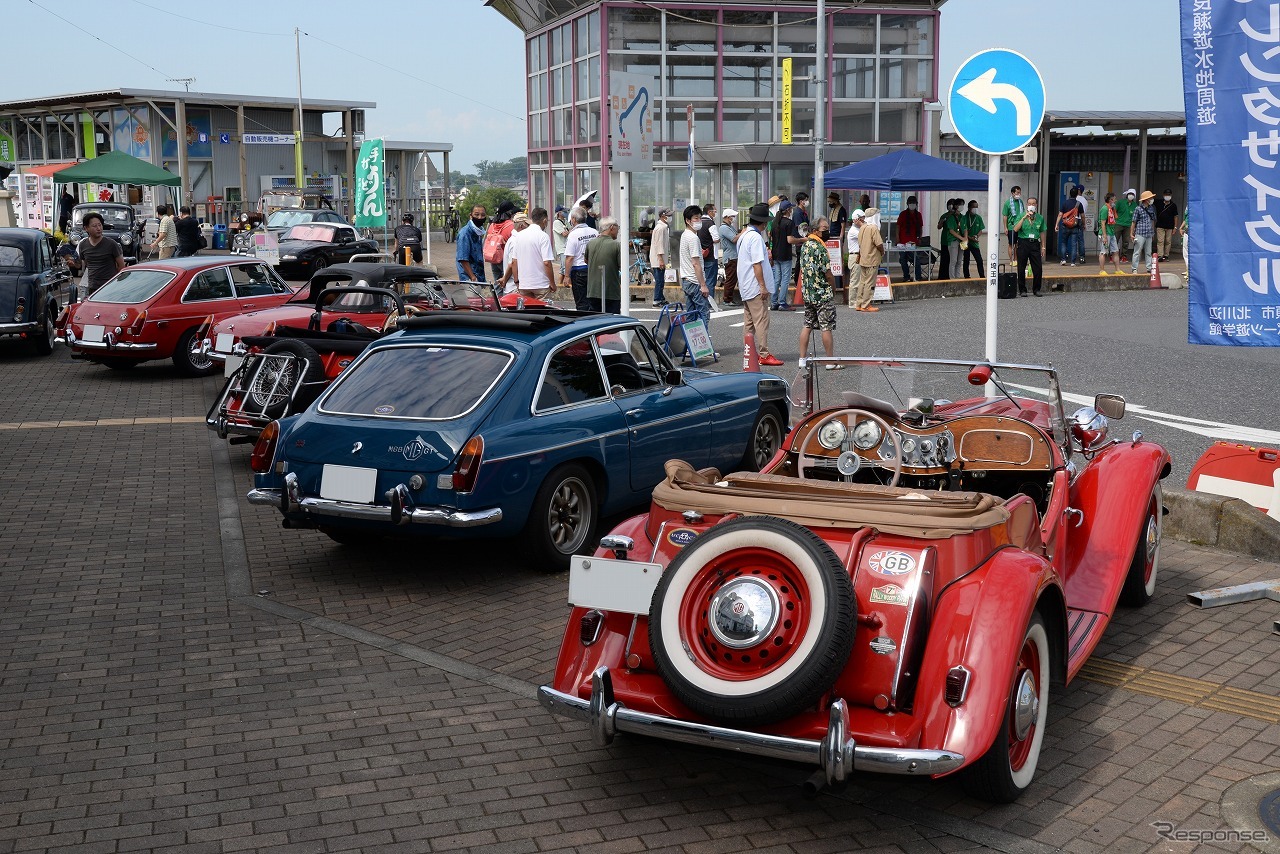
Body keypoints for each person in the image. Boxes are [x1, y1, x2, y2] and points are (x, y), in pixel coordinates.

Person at [737, 203, 783, 367]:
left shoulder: (744, 235)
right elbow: (757, 264)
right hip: (755, 286)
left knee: (749, 323)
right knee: (761, 321)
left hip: (745, 285)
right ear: (763, 222)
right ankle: (763, 353)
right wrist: (762, 286)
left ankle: (749, 351)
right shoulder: (755, 237)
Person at [798, 217, 838, 366]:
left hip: (808, 293)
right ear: (815, 230)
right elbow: (828, 273)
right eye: (824, 229)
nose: (827, 231)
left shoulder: (805, 245)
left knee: (807, 324)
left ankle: (802, 359)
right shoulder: (820, 248)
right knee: (826, 326)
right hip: (822, 293)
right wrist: (833, 288)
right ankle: (830, 361)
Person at [69, 211, 125, 300]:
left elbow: (121, 266)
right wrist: (73, 263)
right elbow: (83, 265)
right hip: (92, 287)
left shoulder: (111, 244)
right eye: (94, 226)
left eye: (100, 225)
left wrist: (116, 284)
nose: (98, 228)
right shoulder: (83, 244)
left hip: (109, 287)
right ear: (86, 228)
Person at [505, 207, 556, 301]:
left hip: (524, 284)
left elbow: (514, 262)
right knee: (543, 312)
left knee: (528, 312)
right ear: (544, 220)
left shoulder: (519, 236)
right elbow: (547, 263)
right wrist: (552, 283)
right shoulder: (543, 236)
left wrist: (516, 281)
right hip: (541, 284)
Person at [679, 204, 713, 335]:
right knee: (703, 314)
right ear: (688, 220)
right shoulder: (693, 238)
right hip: (694, 281)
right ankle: (703, 348)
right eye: (695, 218)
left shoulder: (685, 235)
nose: (699, 221)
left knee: (691, 316)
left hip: (686, 280)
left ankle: (690, 347)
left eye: (699, 218)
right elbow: (696, 263)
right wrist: (703, 285)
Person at [561, 208, 598, 311]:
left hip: (578, 271)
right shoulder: (594, 232)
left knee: (581, 302)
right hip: (593, 270)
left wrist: (566, 276)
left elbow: (570, 257)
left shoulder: (573, 235)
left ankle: (584, 323)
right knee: (593, 301)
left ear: (573, 219)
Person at [585, 215, 622, 313]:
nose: (618, 230)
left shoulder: (590, 243)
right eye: (617, 227)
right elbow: (622, 266)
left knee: (596, 320)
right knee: (612, 322)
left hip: (593, 291)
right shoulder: (616, 245)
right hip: (611, 291)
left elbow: (586, 260)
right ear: (612, 228)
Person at [769, 200, 801, 311]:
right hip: (785, 254)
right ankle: (782, 302)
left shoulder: (774, 222)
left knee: (776, 279)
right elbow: (790, 240)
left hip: (776, 253)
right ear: (788, 210)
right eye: (791, 209)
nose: (792, 210)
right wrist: (802, 239)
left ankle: (773, 302)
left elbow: (771, 237)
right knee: (785, 279)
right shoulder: (789, 223)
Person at [1012, 197, 1046, 296]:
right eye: (1030, 203)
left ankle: (1036, 289)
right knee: (1021, 267)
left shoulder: (1040, 217)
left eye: (1034, 204)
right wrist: (1024, 218)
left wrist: (1043, 246)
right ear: (1027, 205)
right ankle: (1022, 290)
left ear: (1036, 205)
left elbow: (1042, 232)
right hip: (1023, 243)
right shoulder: (1021, 215)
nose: (1031, 205)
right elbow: (1015, 229)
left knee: (1038, 268)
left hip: (1035, 243)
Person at [854, 207, 884, 312]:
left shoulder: (862, 227)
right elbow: (879, 243)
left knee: (862, 282)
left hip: (863, 258)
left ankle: (859, 304)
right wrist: (882, 251)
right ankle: (866, 305)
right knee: (869, 283)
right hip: (872, 259)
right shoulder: (873, 228)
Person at [484, 200, 519, 281]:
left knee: (497, 282)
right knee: (507, 281)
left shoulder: (492, 225)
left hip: (493, 257)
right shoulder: (511, 225)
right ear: (510, 212)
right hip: (505, 259)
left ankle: (498, 294)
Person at [497, 212, 530, 293]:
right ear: (521, 226)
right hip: (513, 287)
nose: (528, 228)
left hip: (511, 286)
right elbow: (512, 263)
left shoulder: (513, 238)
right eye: (527, 225)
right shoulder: (516, 241)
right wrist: (505, 279)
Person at [456, 204, 487, 282]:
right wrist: (473, 277)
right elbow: (463, 259)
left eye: (483, 215)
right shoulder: (465, 233)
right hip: (469, 278)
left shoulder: (478, 232)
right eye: (476, 214)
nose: (480, 217)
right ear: (471, 215)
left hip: (479, 275)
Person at [896, 195, 924, 282]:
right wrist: (897, 238)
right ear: (907, 204)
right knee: (903, 260)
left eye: (914, 203)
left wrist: (920, 238)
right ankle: (906, 276)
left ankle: (918, 277)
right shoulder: (903, 214)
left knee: (916, 259)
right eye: (910, 203)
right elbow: (898, 227)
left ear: (916, 204)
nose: (912, 204)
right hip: (903, 241)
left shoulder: (918, 215)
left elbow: (920, 228)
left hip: (913, 242)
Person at [1130, 190, 1157, 275]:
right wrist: (1131, 233)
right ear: (1146, 199)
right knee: (1137, 251)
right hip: (1140, 233)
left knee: (1148, 252)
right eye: (1150, 198)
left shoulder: (1152, 208)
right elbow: (1133, 222)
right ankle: (1134, 268)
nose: (1152, 199)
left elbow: (1152, 221)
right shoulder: (1138, 209)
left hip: (1149, 233)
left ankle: (1149, 268)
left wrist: (1152, 232)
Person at [1056, 187, 1084, 267]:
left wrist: (1056, 224)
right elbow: (1082, 216)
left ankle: (1063, 259)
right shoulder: (1079, 204)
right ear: (1077, 195)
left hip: (1065, 226)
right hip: (1074, 226)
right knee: (1074, 244)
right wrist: (1083, 224)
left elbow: (1060, 214)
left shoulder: (1065, 203)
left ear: (1070, 194)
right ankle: (1073, 262)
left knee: (1064, 243)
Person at [649, 207, 671, 306]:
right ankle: (657, 300)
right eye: (669, 215)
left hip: (659, 258)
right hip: (658, 259)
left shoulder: (663, 227)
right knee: (659, 280)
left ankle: (660, 298)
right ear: (663, 216)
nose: (671, 217)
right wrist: (661, 259)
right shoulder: (660, 228)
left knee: (661, 280)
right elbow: (659, 245)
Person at [1096, 192, 1121, 275]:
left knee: (1115, 251)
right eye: (1114, 199)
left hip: (1111, 233)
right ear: (1111, 200)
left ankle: (1117, 269)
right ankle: (1102, 270)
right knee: (1103, 252)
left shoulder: (1111, 209)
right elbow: (1102, 223)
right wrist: (1105, 236)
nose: (1115, 201)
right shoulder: (1105, 209)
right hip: (1106, 233)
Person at [719, 209, 740, 305]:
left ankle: (729, 298)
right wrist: (743, 232)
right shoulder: (724, 228)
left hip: (733, 256)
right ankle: (727, 299)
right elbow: (734, 238)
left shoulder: (729, 227)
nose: (734, 218)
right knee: (731, 278)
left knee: (733, 278)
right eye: (733, 216)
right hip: (730, 257)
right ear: (727, 217)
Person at [699, 203, 719, 301]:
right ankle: (709, 302)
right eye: (714, 211)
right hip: (710, 255)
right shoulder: (710, 223)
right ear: (709, 212)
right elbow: (716, 238)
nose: (715, 213)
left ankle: (702, 301)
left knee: (701, 279)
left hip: (700, 255)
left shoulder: (698, 222)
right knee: (710, 280)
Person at [1155, 189, 1180, 261]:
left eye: (1169, 195)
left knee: (1168, 241)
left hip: (1169, 226)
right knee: (1160, 241)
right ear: (1163, 195)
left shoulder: (1173, 205)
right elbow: (1151, 201)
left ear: (1171, 196)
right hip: (1160, 225)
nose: (1167, 196)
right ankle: (1160, 255)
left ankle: (1166, 255)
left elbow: (1176, 216)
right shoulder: (1159, 202)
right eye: (1166, 195)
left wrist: (1175, 227)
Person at [962, 200, 985, 279]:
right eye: (974, 207)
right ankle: (966, 276)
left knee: (979, 260)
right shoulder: (965, 217)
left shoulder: (978, 217)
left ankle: (982, 276)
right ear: (969, 208)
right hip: (966, 241)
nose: (975, 208)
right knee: (966, 259)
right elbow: (963, 230)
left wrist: (976, 236)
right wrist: (969, 237)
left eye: (976, 207)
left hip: (974, 242)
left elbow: (981, 230)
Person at [1002, 186, 1025, 265]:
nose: (1019, 194)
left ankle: (1016, 259)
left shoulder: (1020, 202)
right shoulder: (1007, 203)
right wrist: (1005, 227)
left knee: (1017, 244)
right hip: (1011, 226)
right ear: (1012, 193)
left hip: (1020, 226)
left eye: (1019, 192)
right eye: (1017, 192)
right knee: (1011, 244)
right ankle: (1011, 260)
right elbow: (1005, 216)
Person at [943, 199, 965, 280]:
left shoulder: (962, 217)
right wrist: (961, 238)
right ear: (956, 206)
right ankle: (952, 279)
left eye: (963, 204)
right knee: (953, 261)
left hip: (962, 242)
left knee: (959, 261)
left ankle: (957, 277)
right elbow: (951, 231)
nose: (962, 206)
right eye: (960, 204)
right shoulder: (950, 217)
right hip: (953, 241)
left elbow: (965, 228)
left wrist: (965, 238)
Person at [1115, 189, 1137, 261]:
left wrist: (1134, 227)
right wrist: (1115, 219)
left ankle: (1124, 256)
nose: (1131, 195)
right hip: (1118, 224)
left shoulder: (1135, 205)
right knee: (1115, 240)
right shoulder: (1120, 202)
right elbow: (1114, 211)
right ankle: (1113, 255)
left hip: (1128, 225)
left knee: (1126, 241)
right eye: (1130, 194)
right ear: (1127, 194)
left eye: (1132, 194)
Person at [552, 206, 569, 280]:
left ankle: (560, 284)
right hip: (562, 248)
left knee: (562, 268)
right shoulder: (556, 222)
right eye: (564, 211)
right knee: (565, 267)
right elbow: (564, 234)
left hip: (567, 246)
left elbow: (570, 229)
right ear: (559, 213)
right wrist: (572, 231)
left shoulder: (565, 221)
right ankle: (566, 283)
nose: (566, 213)